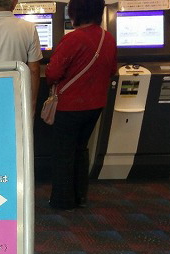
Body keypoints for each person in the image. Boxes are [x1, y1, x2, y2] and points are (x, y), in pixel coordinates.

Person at [45, 0, 117, 210]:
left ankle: (62, 200)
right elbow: (112, 69)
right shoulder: (107, 37)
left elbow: (53, 73)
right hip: (95, 105)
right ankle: (80, 197)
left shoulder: (73, 39)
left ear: (75, 12)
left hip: (70, 106)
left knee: (63, 153)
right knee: (80, 149)